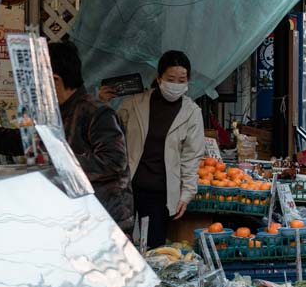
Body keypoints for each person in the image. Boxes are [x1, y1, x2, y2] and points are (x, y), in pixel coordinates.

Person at [117, 50, 204, 248]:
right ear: (159, 78)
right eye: (171, 79)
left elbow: (192, 156)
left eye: (181, 80)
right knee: (122, 247)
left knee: (154, 251)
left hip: (161, 194)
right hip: (128, 189)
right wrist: (103, 100)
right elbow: (112, 132)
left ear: (188, 80)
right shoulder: (134, 104)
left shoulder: (192, 113)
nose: (176, 84)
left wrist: (187, 193)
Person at [48, 42, 133, 233]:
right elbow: (26, 141)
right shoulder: (60, 112)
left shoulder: (97, 112)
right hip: (81, 217)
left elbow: (113, 161)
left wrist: (57, 163)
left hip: (106, 221)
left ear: (55, 80)